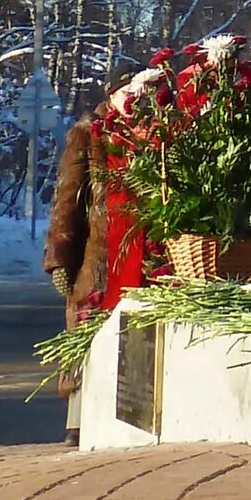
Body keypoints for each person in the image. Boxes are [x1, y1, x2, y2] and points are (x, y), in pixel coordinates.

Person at [42, 78, 151, 436]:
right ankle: (78, 420)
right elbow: (66, 200)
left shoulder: (153, 132)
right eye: (128, 91)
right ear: (113, 94)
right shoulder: (88, 135)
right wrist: (59, 257)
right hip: (99, 259)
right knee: (89, 335)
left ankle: (128, 418)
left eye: (140, 91)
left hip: (142, 253)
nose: (135, 98)